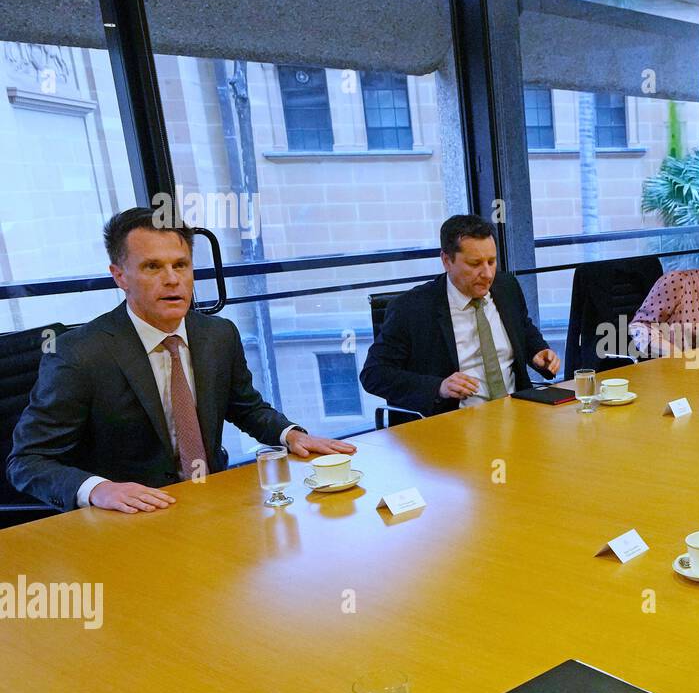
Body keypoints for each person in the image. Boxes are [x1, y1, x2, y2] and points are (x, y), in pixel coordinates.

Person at [7, 207, 354, 515]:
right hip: (130, 518)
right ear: (120, 276)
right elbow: (27, 461)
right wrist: (98, 489)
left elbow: (245, 407)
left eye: (181, 265)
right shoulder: (81, 354)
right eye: (152, 267)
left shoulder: (218, 335)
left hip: (211, 503)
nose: (172, 279)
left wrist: (289, 434)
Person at [360, 214, 558, 416]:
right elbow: (374, 374)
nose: (488, 274)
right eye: (475, 264)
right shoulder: (411, 309)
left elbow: (523, 327)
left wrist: (537, 350)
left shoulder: (507, 288)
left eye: (491, 261)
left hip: (517, 413)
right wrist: (439, 387)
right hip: (453, 422)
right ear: (447, 260)